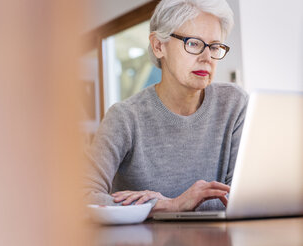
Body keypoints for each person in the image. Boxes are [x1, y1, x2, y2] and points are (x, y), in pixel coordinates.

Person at [84, 0, 248, 214]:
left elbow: (241, 197)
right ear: (158, 46)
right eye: (193, 43)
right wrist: (169, 205)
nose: (207, 57)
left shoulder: (234, 104)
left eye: (215, 46)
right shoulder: (124, 117)